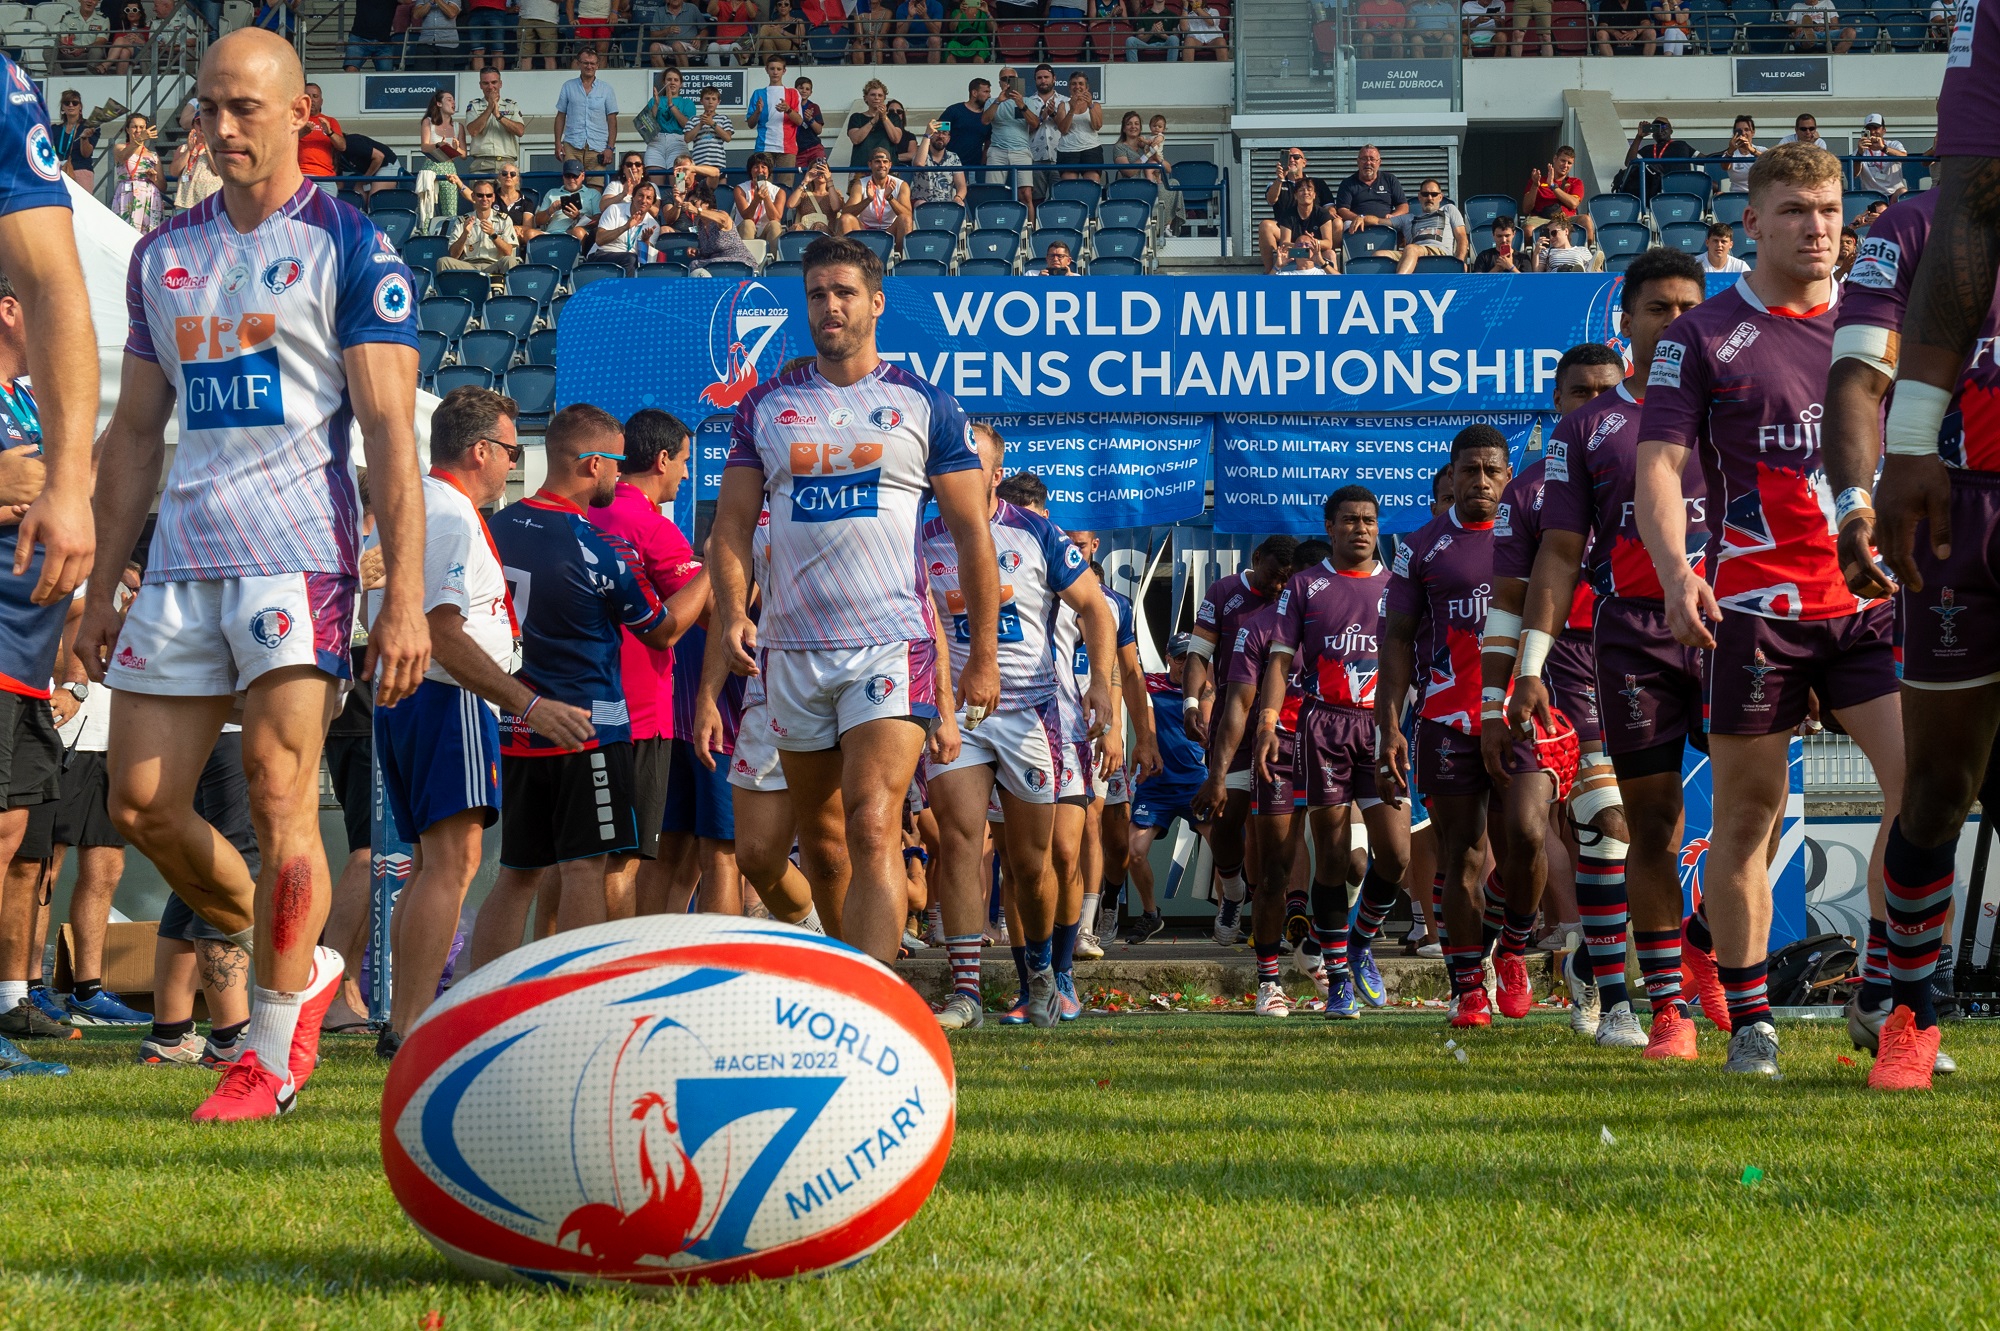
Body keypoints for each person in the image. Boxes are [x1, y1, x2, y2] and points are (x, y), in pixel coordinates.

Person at [81, 28, 427, 1122]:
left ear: (300, 111)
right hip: (181, 563)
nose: (222, 128)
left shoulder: (352, 245)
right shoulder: (159, 255)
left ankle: (269, 1053)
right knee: (139, 804)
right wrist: (100, 583)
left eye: (245, 108)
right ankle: (296, 958)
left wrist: (405, 593)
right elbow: (135, 434)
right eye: (208, 108)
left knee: (283, 799)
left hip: (298, 562)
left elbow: (387, 434)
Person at [1635, 143, 1906, 1079]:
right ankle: (1752, 1021)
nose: (1819, 227)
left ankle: (1885, 996)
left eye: (1831, 209)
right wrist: (1676, 573)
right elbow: (1660, 467)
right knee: (1749, 815)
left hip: (1872, 601)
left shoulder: (1883, 324)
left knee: (1924, 799)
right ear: (1750, 222)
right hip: (1755, 609)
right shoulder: (1703, 334)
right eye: (1796, 209)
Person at [701, 235, 1000, 964]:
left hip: (890, 645)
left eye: (843, 293)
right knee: (824, 846)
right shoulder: (766, 405)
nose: (829, 307)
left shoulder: (923, 401)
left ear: (875, 303)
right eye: (816, 294)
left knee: (873, 825)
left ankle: (882, 1006)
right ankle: (843, 983)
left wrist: (982, 655)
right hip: (791, 655)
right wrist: (737, 610)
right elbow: (731, 528)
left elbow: (971, 536)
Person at [1519, 248, 1709, 1058]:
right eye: (1658, 308)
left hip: (1744, 626)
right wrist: (1525, 665)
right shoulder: (1588, 428)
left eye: (1687, 307)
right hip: (1627, 635)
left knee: (1753, 815)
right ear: (1624, 319)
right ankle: (1656, 1003)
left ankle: (1699, 943)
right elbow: (1556, 557)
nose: (1675, 321)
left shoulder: (1730, 401)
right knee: (1636, 824)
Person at [1822, 189, 1986, 1088]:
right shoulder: (1915, 227)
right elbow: (1856, 380)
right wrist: (1853, 502)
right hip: (1957, 522)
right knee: (1936, 789)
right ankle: (1908, 1014)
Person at [372, 389, 591, 1051]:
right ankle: (413, 1024)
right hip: (446, 694)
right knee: (455, 862)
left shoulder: (427, 506)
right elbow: (443, 630)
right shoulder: (450, 513)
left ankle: (407, 1018)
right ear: (479, 451)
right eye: (509, 449)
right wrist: (529, 702)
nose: (512, 464)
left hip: (416, 695)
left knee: (433, 861)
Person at [469, 406, 693, 966]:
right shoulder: (593, 546)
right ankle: (579, 996)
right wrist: (713, 567)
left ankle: (480, 1000)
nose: (620, 478)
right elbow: (662, 631)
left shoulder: (494, 528)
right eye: (616, 465)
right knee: (585, 868)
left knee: (517, 874)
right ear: (594, 463)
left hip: (518, 722)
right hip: (587, 730)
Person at [925, 429, 1116, 1030]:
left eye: (972, 463)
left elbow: (1094, 607)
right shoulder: (919, 537)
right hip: (961, 714)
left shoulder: (1034, 531)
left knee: (1034, 866)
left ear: (996, 471)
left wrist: (1103, 688)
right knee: (959, 840)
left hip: (1034, 711)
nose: (958, 471)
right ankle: (965, 991)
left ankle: (1041, 972)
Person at [1478, 343, 1630, 1038]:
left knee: (1634, 833)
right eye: (1580, 393)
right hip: (1554, 668)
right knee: (1529, 826)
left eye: (1608, 388)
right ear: (1559, 403)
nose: (1596, 403)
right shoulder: (1530, 489)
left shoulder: (1662, 462)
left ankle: (1593, 970)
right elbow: (1510, 599)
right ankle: (1516, 939)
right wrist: (1495, 695)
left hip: (1635, 653)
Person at [1380, 425, 1553, 1028]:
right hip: (1446, 719)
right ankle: (1467, 987)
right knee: (1464, 855)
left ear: (1509, 476)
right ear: (1450, 476)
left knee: (1528, 837)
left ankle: (1512, 947)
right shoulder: (1419, 546)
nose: (1479, 481)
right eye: (1468, 470)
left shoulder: (1536, 539)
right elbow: (1396, 639)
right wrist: (1390, 722)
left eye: (1491, 470)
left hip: (1522, 713)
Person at [1243, 505, 1402, 1017]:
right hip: (1325, 727)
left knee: (1395, 857)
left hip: (1381, 728)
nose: (1361, 529)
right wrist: (1267, 723)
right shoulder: (1306, 585)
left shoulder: (1397, 584)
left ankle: (1358, 944)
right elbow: (1280, 660)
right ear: (1330, 527)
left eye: (1370, 520)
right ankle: (1337, 979)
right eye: (1351, 520)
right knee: (1332, 856)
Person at [588, 410, 706, 920]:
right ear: (662, 460)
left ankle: (547, 977)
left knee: (565, 862)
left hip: (569, 707)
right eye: (684, 462)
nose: (685, 474)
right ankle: (615, 985)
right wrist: (721, 563)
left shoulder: (581, 512)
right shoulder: (650, 527)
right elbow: (686, 621)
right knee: (623, 861)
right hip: (636, 716)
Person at [1183, 536, 1294, 962]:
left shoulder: (1295, 597)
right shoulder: (1224, 592)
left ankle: (1274, 925)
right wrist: (1192, 703)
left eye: (1286, 580)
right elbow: (1197, 653)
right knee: (1226, 819)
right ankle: (1232, 891)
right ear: (1255, 560)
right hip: (1235, 711)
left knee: (1276, 831)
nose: (1278, 588)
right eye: (1272, 578)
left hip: (1282, 719)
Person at [1123, 634, 1208, 942]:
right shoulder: (1150, 683)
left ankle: (1229, 920)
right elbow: (1124, 676)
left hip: (1195, 784)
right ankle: (1150, 914)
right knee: (1135, 852)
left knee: (1225, 849)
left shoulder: (1204, 688)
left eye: (1191, 658)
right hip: (1155, 784)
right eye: (1180, 658)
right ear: (1168, 658)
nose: (1186, 664)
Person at [1260, 148, 1339, 273]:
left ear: (1304, 162)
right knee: (1265, 225)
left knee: (1334, 238)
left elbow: (1329, 208)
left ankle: (1336, 283)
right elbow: (1271, 200)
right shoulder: (1276, 184)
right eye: (1289, 157)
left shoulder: (1317, 183)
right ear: (1296, 196)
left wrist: (1312, 244)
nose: (1292, 160)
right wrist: (1280, 179)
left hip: (1314, 239)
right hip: (1289, 234)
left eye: (1296, 157)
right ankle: (1270, 272)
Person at [555, 48, 620, 173]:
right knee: (572, 184)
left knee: (596, 187)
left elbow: (612, 121)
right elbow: (560, 116)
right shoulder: (568, 86)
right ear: (578, 64)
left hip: (598, 146)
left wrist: (610, 148)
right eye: (585, 63)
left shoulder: (607, 89)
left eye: (592, 63)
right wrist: (557, 143)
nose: (589, 66)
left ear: (597, 65)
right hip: (572, 145)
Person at [984, 66, 1036, 216]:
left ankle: (1030, 234)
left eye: (1011, 79)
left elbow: (1034, 124)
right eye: (1004, 79)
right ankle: (994, 229)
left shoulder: (1027, 101)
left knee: (1026, 195)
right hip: (997, 151)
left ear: (1017, 81)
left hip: (1021, 151)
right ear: (999, 83)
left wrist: (1021, 104)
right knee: (994, 194)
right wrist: (998, 102)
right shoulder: (991, 101)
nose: (1008, 82)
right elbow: (985, 121)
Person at [443, 180, 522, 275]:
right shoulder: (462, 221)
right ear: (473, 196)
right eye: (480, 195)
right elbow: (453, 255)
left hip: (494, 264)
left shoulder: (504, 220)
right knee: (443, 262)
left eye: (488, 195)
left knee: (510, 261)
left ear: (493, 198)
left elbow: (508, 252)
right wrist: (464, 234)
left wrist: (493, 235)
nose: (485, 199)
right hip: (468, 265)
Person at [1335, 144, 1408, 245]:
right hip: (1357, 223)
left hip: (1385, 222)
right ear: (1358, 162)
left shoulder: (1390, 179)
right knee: (1346, 224)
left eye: (1372, 159)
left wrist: (1393, 216)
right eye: (1364, 159)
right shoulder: (1347, 183)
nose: (1368, 163)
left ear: (1379, 162)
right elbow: (1342, 209)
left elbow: (1403, 206)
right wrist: (1358, 217)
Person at [745, 56, 801, 184]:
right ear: (766, 70)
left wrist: (788, 110)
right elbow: (750, 124)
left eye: (778, 69)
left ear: (784, 71)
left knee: (785, 187)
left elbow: (799, 121)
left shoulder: (793, 93)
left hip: (787, 148)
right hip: (763, 147)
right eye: (772, 69)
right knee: (762, 185)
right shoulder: (758, 93)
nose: (775, 72)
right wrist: (757, 112)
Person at [462, 69, 525, 181]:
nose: (490, 87)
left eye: (494, 82)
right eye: (486, 83)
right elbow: (473, 131)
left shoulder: (511, 105)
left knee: (507, 198)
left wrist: (498, 115)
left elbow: (520, 131)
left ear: (500, 84)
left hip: (507, 163)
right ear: (480, 85)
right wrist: (490, 108)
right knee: (482, 198)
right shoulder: (474, 105)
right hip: (482, 164)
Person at [840, 148, 913, 245]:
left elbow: (907, 214)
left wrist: (889, 198)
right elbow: (846, 212)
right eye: (877, 162)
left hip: (890, 230)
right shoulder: (860, 184)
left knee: (905, 220)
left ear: (890, 165)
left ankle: (899, 258)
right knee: (846, 219)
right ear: (870, 164)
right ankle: (849, 258)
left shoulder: (901, 185)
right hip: (864, 229)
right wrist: (868, 200)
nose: (882, 165)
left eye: (885, 162)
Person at [1520, 145, 1591, 243]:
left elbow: (1574, 203)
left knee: (1586, 219)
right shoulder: (1538, 181)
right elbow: (1526, 209)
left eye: (1569, 163)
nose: (1565, 165)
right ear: (1555, 159)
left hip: (1567, 219)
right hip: (1541, 219)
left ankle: (1590, 252)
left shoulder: (1575, 182)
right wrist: (1535, 185)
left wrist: (1553, 186)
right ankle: (1530, 257)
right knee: (1528, 230)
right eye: (1563, 161)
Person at [1395, 178, 1467, 273]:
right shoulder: (1408, 219)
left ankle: (1398, 285)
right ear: (1419, 197)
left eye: (1434, 194)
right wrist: (1368, 219)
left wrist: (1460, 262)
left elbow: (1461, 237)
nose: (1429, 198)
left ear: (1440, 197)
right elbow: (1378, 221)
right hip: (1412, 253)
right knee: (1381, 254)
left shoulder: (1449, 209)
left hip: (1439, 252)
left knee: (1411, 248)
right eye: (1425, 194)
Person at [1619, 116, 1694, 200]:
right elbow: (1629, 162)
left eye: (1664, 126)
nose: (1661, 130)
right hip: (1652, 190)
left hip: (1678, 186)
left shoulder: (1681, 145)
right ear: (1653, 134)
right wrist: (1639, 137)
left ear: (1671, 131)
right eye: (1656, 127)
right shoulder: (1647, 149)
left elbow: (1705, 158)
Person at [112, 112, 164, 233]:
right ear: (127, 129)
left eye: (142, 127)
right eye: (134, 126)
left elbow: (163, 186)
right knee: (124, 233)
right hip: (126, 195)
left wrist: (154, 179)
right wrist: (140, 139)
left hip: (149, 197)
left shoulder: (153, 155)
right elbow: (123, 157)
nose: (138, 130)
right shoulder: (119, 147)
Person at [416, 90, 463, 223]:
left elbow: (464, 154)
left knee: (450, 208)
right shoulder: (428, 121)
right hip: (431, 164)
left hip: (449, 166)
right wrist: (439, 145)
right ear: (439, 103)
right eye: (449, 99)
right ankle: (426, 235)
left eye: (453, 100)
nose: (453, 102)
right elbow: (424, 147)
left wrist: (456, 148)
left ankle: (448, 235)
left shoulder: (459, 127)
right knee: (427, 205)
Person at [534, 158, 603, 243]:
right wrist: (550, 210)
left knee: (578, 232)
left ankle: (581, 255)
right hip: (550, 233)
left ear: (583, 176)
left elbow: (599, 221)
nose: (571, 179)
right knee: (530, 233)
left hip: (575, 233)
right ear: (563, 176)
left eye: (575, 176)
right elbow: (538, 221)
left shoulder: (593, 193)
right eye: (568, 176)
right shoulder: (552, 193)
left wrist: (579, 217)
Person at [1053, 71, 1103, 182]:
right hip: (1068, 150)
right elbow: (1063, 129)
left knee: (1092, 184)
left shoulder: (1096, 105)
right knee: (1069, 186)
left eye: (1081, 84)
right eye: (1074, 84)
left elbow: (1097, 126)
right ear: (1069, 87)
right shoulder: (1063, 105)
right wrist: (1072, 110)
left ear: (1087, 87)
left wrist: (1090, 105)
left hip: (1091, 148)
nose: (1077, 87)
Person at [51, 92, 101, 192]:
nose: (71, 105)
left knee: (81, 206)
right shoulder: (54, 129)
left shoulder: (89, 126)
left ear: (80, 107)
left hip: (81, 170)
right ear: (62, 108)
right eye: (67, 102)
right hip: (59, 172)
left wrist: (84, 138)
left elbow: (86, 154)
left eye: (74, 103)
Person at [910, 121, 967, 206]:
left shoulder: (953, 157)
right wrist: (927, 134)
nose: (940, 136)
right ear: (931, 136)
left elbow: (962, 186)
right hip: (921, 203)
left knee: (960, 205)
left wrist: (958, 198)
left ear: (948, 138)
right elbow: (919, 163)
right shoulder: (921, 154)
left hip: (945, 204)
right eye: (937, 133)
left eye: (944, 133)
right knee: (921, 204)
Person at [1853, 114, 1908, 198]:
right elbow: (1854, 174)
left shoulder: (1893, 144)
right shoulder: (1860, 150)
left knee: (1903, 192)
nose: (1872, 132)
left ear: (1884, 130)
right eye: (1869, 129)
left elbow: (1904, 158)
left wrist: (1883, 148)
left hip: (1893, 194)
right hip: (1871, 196)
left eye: (1875, 128)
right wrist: (1860, 154)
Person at [686, 85, 734, 172]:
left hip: (718, 163)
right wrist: (700, 124)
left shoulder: (724, 118)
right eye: (707, 99)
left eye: (714, 99)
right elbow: (687, 139)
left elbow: (727, 138)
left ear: (718, 102)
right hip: (698, 164)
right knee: (699, 185)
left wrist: (712, 123)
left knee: (720, 185)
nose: (710, 102)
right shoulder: (693, 119)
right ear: (701, 101)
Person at [1709, 114, 1761, 194]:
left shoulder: (1761, 150)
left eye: (1747, 129)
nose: (1743, 133)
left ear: (1753, 132)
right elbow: (1724, 167)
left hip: (1758, 196)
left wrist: (1751, 150)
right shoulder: (1730, 153)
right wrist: (1731, 150)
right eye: (1739, 131)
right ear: (1734, 134)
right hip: (1736, 196)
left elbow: (1770, 162)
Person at [787, 157, 842, 233]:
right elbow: (790, 204)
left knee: (818, 226)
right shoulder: (804, 194)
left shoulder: (834, 194)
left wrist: (828, 179)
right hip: (805, 232)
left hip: (826, 234)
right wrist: (805, 181)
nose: (820, 172)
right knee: (796, 227)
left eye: (822, 169)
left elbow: (836, 207)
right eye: (816, 169)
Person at [56, 0, 112, 74]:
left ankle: (89, 81)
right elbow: (64, 39)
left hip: (89, 55)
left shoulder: (103, 20)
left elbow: (101, 41)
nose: (89, 1)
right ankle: (58, 81)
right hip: (69, 55)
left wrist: (83, 49)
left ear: (97, 2)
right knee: (48, 50)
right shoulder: (68, 17)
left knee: (97, 50)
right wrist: (65, 47)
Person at [344, 0, 402, 69]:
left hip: (383, 41)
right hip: (359, 38)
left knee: (386, 77)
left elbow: (408, 1)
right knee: (351, 70)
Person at [406, 0, 460, 69]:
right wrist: (430, 2)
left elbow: (452, 13)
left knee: (445, 76)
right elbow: (416, 15)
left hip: (447, 42)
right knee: (423, 76)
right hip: (426, 41)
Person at [1786, 0, 1854, 51]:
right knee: (1807, 36)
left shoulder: (1827, 3)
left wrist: (1825, 27)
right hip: (1804, 33)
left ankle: (1835, 57)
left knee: (1850, 32)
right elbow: (1789, 25)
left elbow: (1835, 26)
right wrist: (1800, 26)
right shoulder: (1797, 6)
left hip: (1826, 33)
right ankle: (1809, 34)